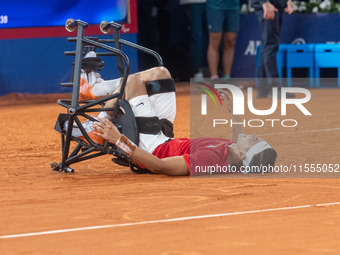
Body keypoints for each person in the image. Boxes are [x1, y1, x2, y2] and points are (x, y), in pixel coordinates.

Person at [69, 56, 277, 176]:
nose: (255, 134)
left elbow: (159, 166)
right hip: (164, 137)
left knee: (133, 83)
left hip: (151, 146)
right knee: (163, 73)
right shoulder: (234, 152)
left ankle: (95, 119)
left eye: (255, 140)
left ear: (242, 156)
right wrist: (235, 114)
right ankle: (95, 92)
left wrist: (119, 140)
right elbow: (238, 138)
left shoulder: (210, 160)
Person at [251, 0, 295, 99]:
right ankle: (274, 89)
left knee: (268, 45)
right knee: (270, 45)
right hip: (267, 5)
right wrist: (265, 2)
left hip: (275, 5)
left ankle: (264, 88)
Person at [206, 0, 240, 80]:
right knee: (215, 41)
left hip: (233, 6)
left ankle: (227, 77)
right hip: (215, 6)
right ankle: (214, 77)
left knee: (230, 41)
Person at [180, 0, 207, 78]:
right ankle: (196, 70)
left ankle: (214, 70)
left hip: (210, 4)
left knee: (215, 35)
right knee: (196, 37)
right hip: (192, 3)